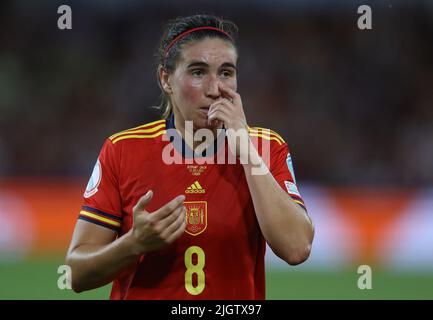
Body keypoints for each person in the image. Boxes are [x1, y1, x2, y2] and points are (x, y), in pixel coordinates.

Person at [66, 14, 314, 300]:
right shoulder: (123, 150)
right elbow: (76, 274)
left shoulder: (267, 147)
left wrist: (246, 150)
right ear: (166, 79)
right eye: (198, 72)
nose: (214, 89)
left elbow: (297, 249)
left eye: (226, 73)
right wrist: (134, 243)